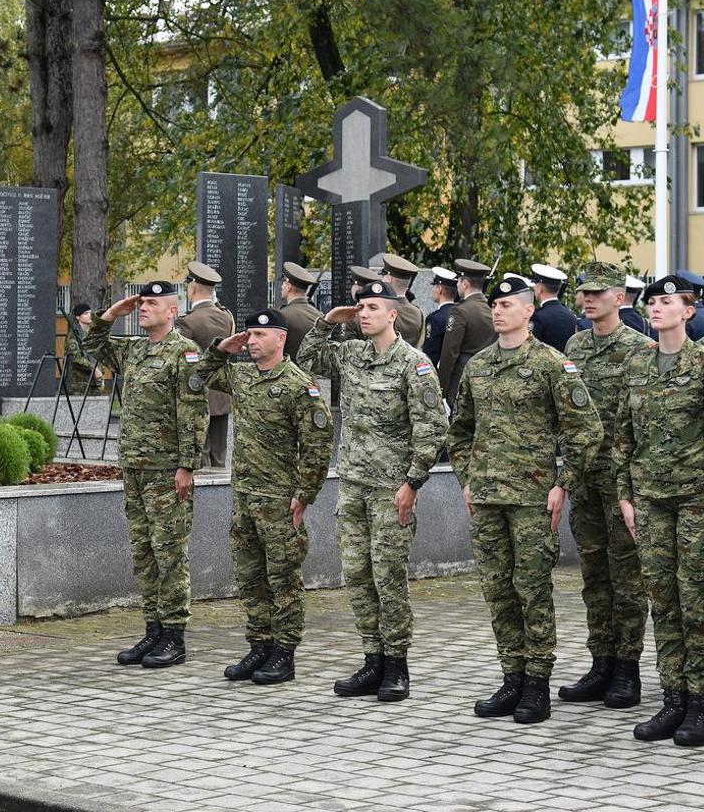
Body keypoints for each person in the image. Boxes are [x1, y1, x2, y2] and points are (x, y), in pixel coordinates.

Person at [448, 277, 602, 724]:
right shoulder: (479, 366)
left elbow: (585, 430)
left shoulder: (553, 364)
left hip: (533, 499)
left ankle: (537, 683)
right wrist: (467, 479)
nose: (497, 311)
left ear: (528, 311)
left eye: (506, 304)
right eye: (493, 304)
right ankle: (511, 676)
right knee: (498, 591)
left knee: (532, 590)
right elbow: (460, 430)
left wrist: (563, 483)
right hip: (488, 498)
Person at [613, 275, 704, 747]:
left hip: (696, 503)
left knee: (697, 603)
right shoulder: (638, 366)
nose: (656, 307)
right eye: (652, 301)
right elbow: (622, 439)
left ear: (689, 311)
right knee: (663, 602)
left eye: (667, 301)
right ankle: (672, 699)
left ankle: (700, 706)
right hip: (650, 503)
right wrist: (625, 496)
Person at [299, 280, 449, 703]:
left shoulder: (413, 365)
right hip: (353, 484)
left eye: (371, 307)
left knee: (388, 576)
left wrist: (412, 482)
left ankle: (397, 664)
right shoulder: (350, 354)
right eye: (359, 306)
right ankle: (372, 658)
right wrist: (328, 320)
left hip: (391, 489)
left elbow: (431, 428)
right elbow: (308, 357)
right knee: (357, 574)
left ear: (392, 315)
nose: (363, 313)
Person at [197, 310, 333, 684]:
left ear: (280, 339)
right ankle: (259, 644)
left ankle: (284, 654)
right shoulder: (241, 377)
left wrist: (304, 494)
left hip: (279, 500)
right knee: (250, 577)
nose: (251, 341)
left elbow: (317, 445)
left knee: (283, 579)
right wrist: (222, 348)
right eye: (249, 334)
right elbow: (199, 376)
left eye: (259, 334)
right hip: (244, 497)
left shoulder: (298, 386)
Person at [86, 282, 206, 668]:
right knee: (143, 551)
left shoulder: (183, 353)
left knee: (170, 552)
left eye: (152, 303)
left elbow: (194, 412)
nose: (144, 308)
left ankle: (174, 635)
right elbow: (92, 347)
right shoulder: (135, 349)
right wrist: (112, 314)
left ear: (172, 311)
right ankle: (153, 629)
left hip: (166, 471)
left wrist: (187, 465)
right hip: (135, 468)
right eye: (142, 302)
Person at [558, 262, 651, 710]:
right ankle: (602, 662)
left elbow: (643, 422)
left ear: (620, 297)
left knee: (627, 577)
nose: (588, 299)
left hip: (623, 481)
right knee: (594, 574)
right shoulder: (574, 344)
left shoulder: (640, 349)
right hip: (584, 477)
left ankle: (627, 669)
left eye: (599, 292)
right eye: (584, 291)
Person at [177, 262, 235, 470]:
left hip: (198, 393)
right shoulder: (226, 317)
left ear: (192, 288)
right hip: (222, 393)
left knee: (201, 457)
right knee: (219, 456)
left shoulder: (188, 322)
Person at [438, 257, 495, 409]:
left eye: (458, 282)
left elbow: (450, 352)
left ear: (465, 284)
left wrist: (442, 389)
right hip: (487, 379)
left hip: (462, 379)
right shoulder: (491, 311)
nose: (457, 286)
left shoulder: (459, 311)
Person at [528, 264, 580, 352]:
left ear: (540, 288)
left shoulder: (538, 317)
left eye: (535, 285)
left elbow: (531, 348)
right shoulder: (571, 316)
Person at [279, 262, 323, 362]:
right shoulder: (319, 315)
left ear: (288, 286)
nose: (281, 286)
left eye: (283, 283)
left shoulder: (282, 316)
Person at [381, 254, 426, 348]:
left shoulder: (383, 310)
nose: (382, 279)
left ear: (389, 279)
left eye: (384, 276)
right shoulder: (418, 313)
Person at [62, 302, 104, 394]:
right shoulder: (73, 336)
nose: (90, 315)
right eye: (86, 313)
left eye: (90, 312)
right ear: (78, 317)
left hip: (95, 380)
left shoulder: (92, 333)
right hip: (80, 383)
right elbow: (76, 358)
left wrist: (100, 370)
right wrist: (94, 369)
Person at [421, 267, 458, 366]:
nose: (433, 290)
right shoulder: (460, 314)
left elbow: (430, 353)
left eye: (434, 286)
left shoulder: (435, 319)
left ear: (439, 289)